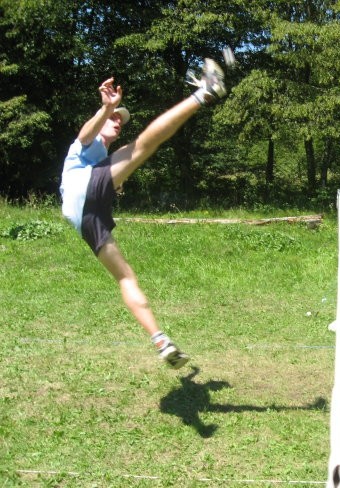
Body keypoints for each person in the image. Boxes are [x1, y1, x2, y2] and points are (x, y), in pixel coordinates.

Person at [60, 58, 228, 369]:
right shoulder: (84, 146)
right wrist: (106, 108)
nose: (117, 121)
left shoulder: (103, 161)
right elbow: (88, 132)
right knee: (145, 143)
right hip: (83, 194)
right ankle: (203, 93)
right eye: (115, 119)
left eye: (120, 119)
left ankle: (160, 340)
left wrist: (116, 183)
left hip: (85, 219)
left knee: (125, 277)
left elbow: (111, 179)